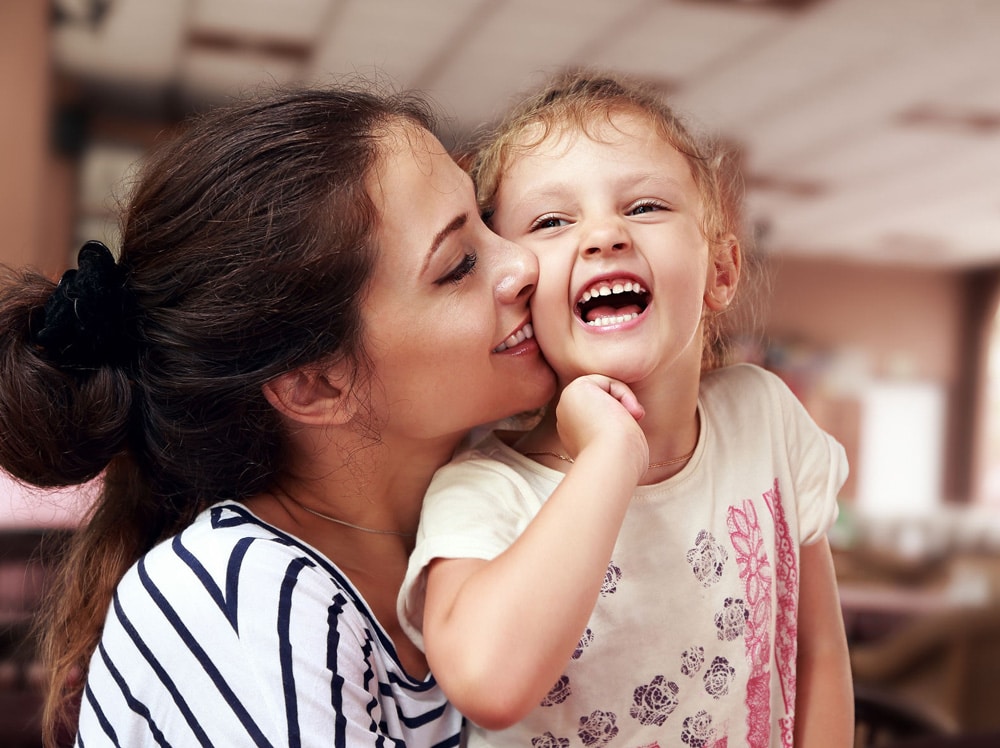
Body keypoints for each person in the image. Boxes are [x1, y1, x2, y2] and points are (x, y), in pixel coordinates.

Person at [0, 85, 556, 747]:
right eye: (458, 265)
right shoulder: (239, 602)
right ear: (315, 385)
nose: (525, 264)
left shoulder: (501, 528)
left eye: (488, 217)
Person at [398, 72, 853, 747]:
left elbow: (815, 652)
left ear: (721, 272)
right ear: (522, 289)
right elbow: (489, 685)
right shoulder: (482, 490)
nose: (604, 235)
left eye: (644, 207)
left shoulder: (768, 419)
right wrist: (610, 454)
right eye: (552, 221)